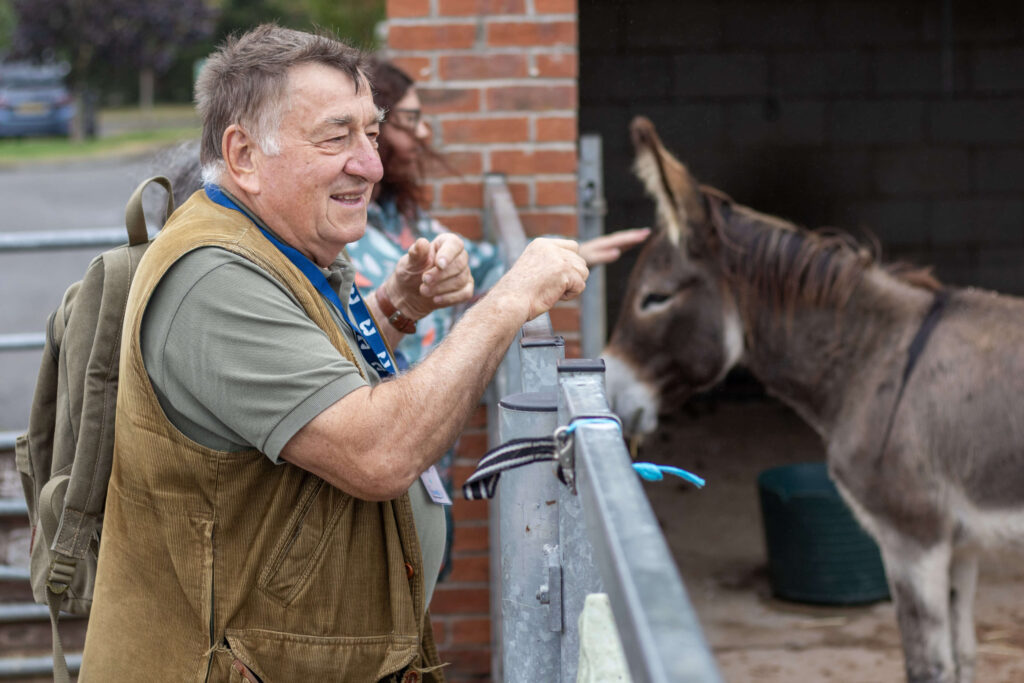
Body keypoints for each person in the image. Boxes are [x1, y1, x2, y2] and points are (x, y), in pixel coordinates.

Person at [80, 25, 587, 683]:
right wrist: (508, 300)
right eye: (336, 136)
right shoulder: (213, 279)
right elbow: (378, 452)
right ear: (244, 156)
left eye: (373, 133)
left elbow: (302, 380)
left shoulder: (280, 242)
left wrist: (397, 308)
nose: (372, 165)